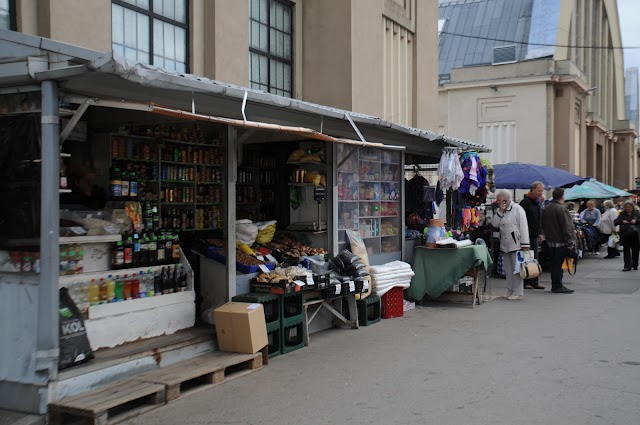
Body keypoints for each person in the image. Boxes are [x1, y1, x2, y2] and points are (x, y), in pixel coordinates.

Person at [491, 189, 530, 300]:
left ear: (505, 199)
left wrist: (525, 243)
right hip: (505, 244)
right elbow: (494, 224)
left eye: (498, 200)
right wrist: (500, 212)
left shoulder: (518, 209)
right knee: (508, 270)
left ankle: (518, 291)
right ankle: (510, 289)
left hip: (516, 244)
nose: (497, 202)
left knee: (517, 269)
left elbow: (523, 227)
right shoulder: (501, 210)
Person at [542, 188, 576, 294]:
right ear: (562, 197)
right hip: (560, 241)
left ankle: (556, 284)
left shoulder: (546, 208)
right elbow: (566, 226)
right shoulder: (561, 209)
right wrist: (569, 241)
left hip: (550, 240)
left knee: (554, 264)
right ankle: (557, 285)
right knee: (558, 265)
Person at [519, 181, 545, 290]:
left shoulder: (537, 203)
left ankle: (534, 280)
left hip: (534, 235)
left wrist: (540, 232)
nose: (541, 193)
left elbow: (539, 219)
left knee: (534, 259)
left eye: (542, 191)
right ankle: (525, 281)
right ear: (533, 190)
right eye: (539, 191)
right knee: (526, 259)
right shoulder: (525, 203)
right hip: (526, 236)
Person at [614, 200, 640, 271]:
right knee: (626, 250)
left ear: (632, 207)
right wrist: (622, 221)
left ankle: (635, 264)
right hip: (626, 234)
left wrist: (636, 221)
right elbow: (615, 222)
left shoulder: (637, 213)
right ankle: (627, 266)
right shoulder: (622, 214)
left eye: (630, 207)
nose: (628, 209)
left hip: (635, 234)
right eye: (627, 207)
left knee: (635, 250)